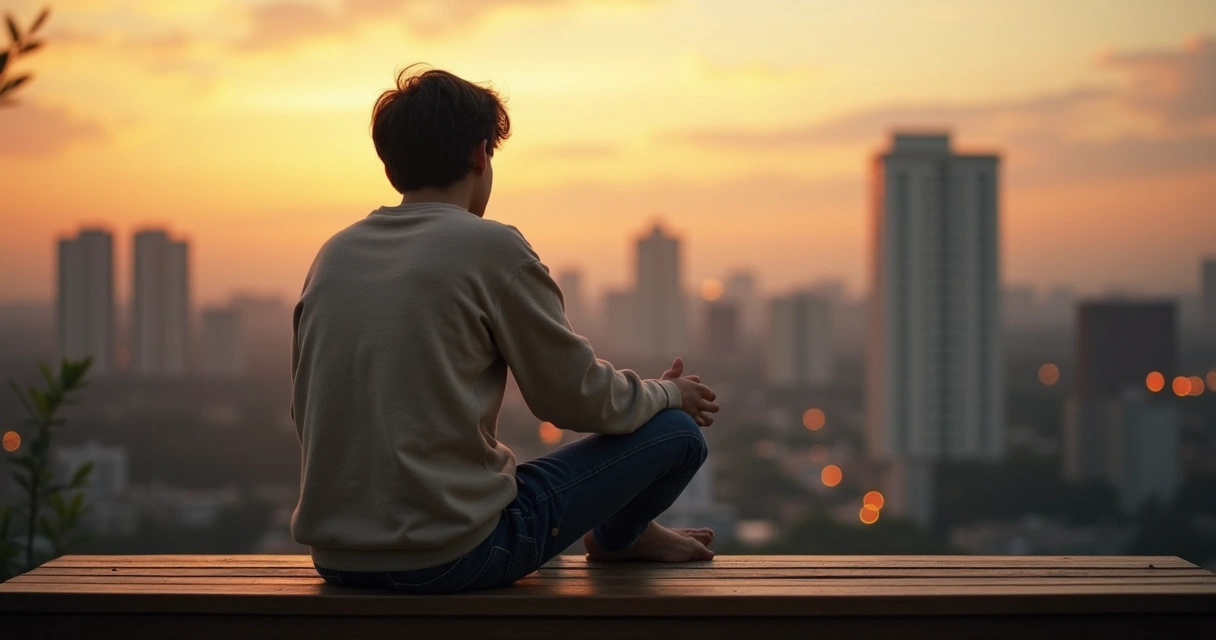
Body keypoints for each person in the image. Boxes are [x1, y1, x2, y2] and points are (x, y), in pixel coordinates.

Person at [290, 65, 721, 594]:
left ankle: (628, 534)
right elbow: (573, 398)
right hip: (455, 555)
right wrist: (667, 394)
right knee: (677, 433)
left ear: (391, 165)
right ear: (480, 154)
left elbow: (306, 407)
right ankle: (620, 539)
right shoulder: (489, 247)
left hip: (338, 558)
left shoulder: (334, 254)